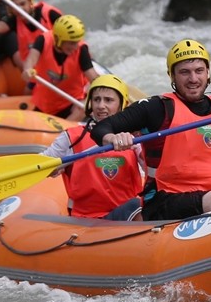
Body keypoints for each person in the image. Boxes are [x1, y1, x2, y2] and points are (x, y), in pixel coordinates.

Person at [92, 39, 211, 222]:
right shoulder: (156, 108)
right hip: (163, 201)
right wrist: (111, 138)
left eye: (199, 71)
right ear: (172, 76)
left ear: (208, 73)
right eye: (184, 72)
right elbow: (101, 127)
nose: (193, 79)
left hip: (209, 198)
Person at [41, 74, 145, 221]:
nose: (101, 106)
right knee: (136, 205)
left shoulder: (132, 138)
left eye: (108, 100)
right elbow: (42, 164)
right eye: (97, 99)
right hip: (86, 220)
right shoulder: (72, 138)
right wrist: (51, 169)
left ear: (123, 104)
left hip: (125, 216)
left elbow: (155, 170)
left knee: (146, 203)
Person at [21, 14, 99, 122]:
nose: (75, 46)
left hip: (71, 101)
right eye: (71, 43)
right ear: (57, 39)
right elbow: (31, 59)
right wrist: (27, 70)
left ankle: (63, 134)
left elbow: (93, 76)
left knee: (81, 109)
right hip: (45, 102)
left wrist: (103, 89)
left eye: (77, 42)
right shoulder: (43, 40)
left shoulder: (81, 50)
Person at [0, 0, 62, 76]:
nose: (20, 9)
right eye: (15, 6)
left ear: (30, 2)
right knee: (27, 91)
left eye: (23, 4)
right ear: (10, 9)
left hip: (59, 61)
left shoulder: (49, 13)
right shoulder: (14, 20)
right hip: (38, 68)